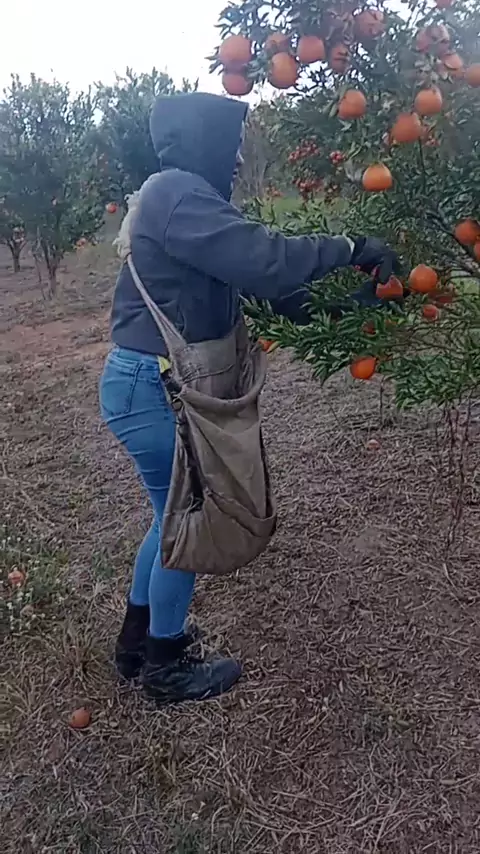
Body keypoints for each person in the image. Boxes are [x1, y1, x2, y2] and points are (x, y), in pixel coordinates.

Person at [99, 91, 400, 706]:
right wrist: (350, 247)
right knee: (192, 520)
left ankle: (137, 645)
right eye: (232, 145)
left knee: (170, 518)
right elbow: (267, 262)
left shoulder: (186, 201)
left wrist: (346, 310)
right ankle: (164, 664)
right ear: (202, 141)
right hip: (155, 390)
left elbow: (264, 291)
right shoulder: (176, 194)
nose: (237, 159)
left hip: (149, 385)